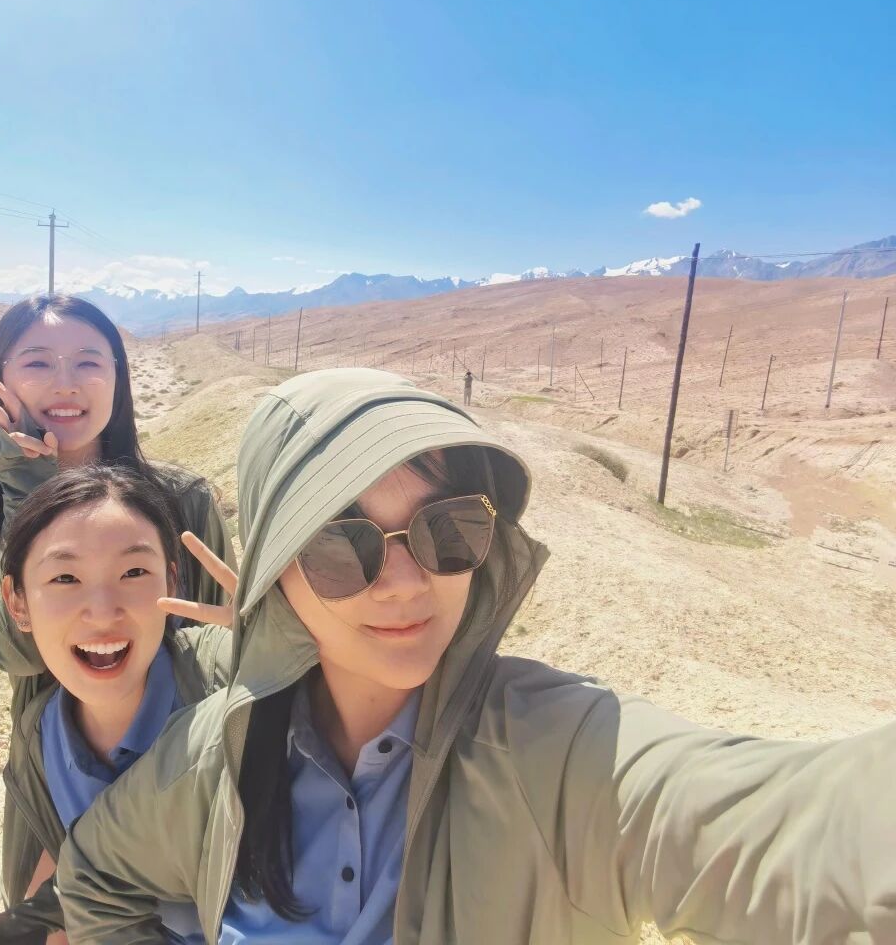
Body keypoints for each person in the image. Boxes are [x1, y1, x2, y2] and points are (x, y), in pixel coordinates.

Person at [48, 367, 895, 944]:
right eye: (342, 545)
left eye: (446, 529)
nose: (406, 583)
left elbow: (788, 829)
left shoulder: (557, 753)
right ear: (276, 573)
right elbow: (95, 879)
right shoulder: (219, 757)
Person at [0, 294, 234, 908]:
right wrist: (26, 489)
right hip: (53, 789)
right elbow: (16, 652)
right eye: (38, 363)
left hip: (185, 791)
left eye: (89, 363)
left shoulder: (183, 503)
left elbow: (223, 648)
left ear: (118, 380)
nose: (65, 384)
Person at [0, 465, 234, 945]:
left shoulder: (231, 685)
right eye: (66, 577)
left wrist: (292, 643)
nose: (104, 611)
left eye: (134, 572)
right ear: (17, 602)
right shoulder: (41, 739)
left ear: (172, 580)